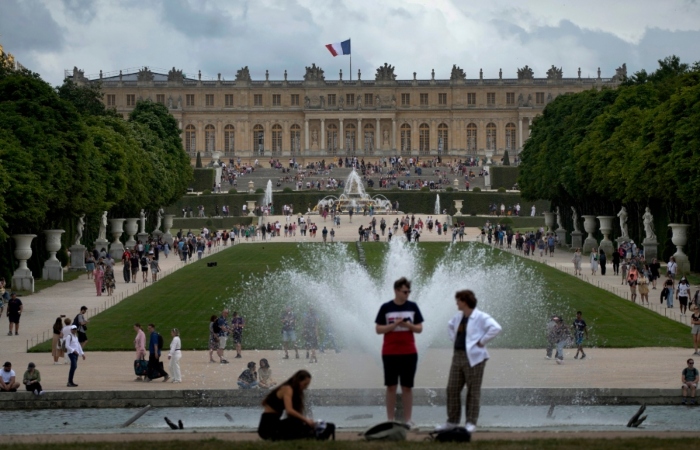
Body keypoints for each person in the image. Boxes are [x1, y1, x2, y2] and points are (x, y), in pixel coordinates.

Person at [435, 289, 501, 434]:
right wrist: (456, 340)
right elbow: (450, 325)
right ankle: (452, 421)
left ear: (464, 301)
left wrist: (482, 341)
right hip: (458, 355)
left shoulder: (481, 316)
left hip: (475, 358)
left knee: (473, 391)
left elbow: (495, 328)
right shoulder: (459, 316)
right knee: (452, 388)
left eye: (458, 300)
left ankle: (471, 422)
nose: (456, 303)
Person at [375, 277, 424, 427]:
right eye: (404, 291)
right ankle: (390, 420)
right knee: (391, 386)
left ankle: (408, 420)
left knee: (407, 386)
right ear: (396, 291)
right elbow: (378, 329)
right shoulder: (386, 307)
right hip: (390, 352)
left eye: (409, 291)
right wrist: (394, 324)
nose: (407, 294)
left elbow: (419, 328)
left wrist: (408, 325)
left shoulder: (413, 307)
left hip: (409, 352)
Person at [258, 370, 320, 440]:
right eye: (305, 384)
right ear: (298, 381)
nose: (305, 387)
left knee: (299, 424)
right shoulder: (287, 389)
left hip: (273, 424)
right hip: (268, 428)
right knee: (297, 423)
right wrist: (306, 420)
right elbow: (289, 410)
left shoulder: (289, 389)